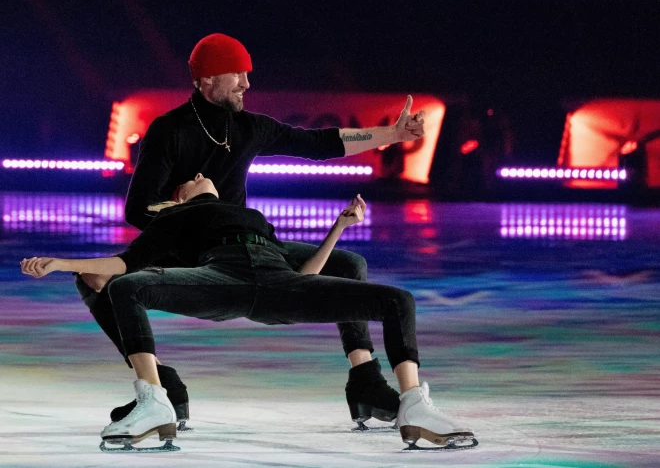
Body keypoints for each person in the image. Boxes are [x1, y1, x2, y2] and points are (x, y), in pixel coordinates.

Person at [75, 33, 427, 429]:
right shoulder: (169, 131)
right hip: (184, 244)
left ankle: (365, 380)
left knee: (347, 263)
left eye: (247, 74)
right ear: (207, 80)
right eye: (237, 74)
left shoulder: (248, 127)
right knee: (91, 278)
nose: (246, 84)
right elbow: (138, 209)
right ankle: (160, 383)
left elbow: (321, 142)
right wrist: (190, 217)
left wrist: (394, 135)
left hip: (245, 246)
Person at [22, 175, 476, 452]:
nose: (202, 174)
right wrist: (66, 263)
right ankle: (153, 399)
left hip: (283, 286)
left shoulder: (252, 215)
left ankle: (414, 408)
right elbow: (121, 265)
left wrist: (338, 227)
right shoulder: (175, 220)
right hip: (224, 280)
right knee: (129, 287)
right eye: (192, 178)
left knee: (399, 301)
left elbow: (306, 271)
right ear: (180, 196)